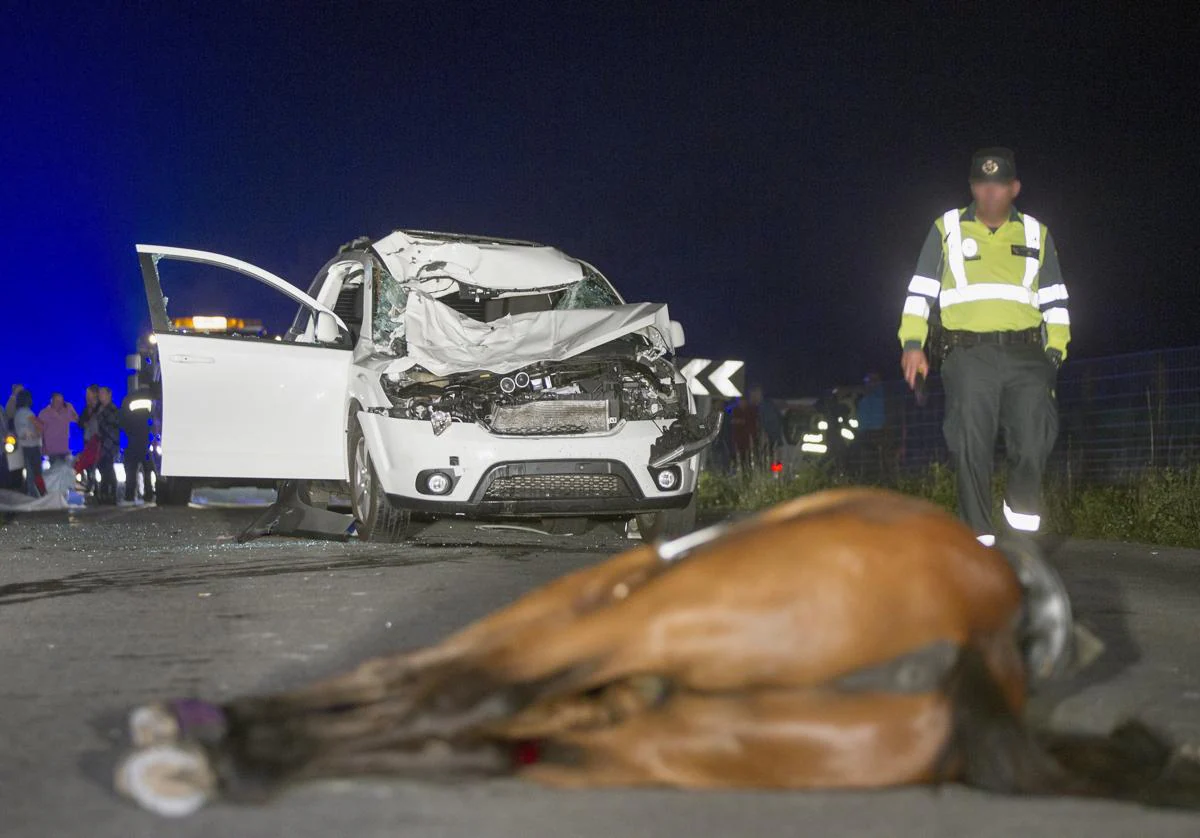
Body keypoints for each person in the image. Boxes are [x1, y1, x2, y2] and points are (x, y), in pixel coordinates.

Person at [897, 148, 1070, 546]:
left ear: (1014, 188)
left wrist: (1054, 352)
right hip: (968, 354)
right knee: (970, 443)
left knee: (1034, 439)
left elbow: (1056, 299)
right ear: (972, 186)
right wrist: (912, 343)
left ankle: (1021, 526)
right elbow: (920, 292)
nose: (990, 194)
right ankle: (981, 542)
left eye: (999, 186)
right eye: (982, 185)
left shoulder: (1036, 233)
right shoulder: (946, 229)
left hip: (1028, 356)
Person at [119, 386, 155, 504]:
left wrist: (129, 433)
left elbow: (123, 419)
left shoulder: (130, 398)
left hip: (133, 440)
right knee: (148, 469)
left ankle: (130, 496)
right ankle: (149, 494)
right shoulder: (153, 397)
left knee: (131, 470)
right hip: (148, 439)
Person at [12, 389, 44, 496]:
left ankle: (28, 493)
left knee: (27, 471)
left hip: (22, 446)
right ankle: (36, 494)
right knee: (35, 472)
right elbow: (39, 425)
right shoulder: (27, 412)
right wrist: (38, 434)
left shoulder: (17, 414)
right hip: (32, 446)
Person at [94, 386, 121, 505]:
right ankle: (105, 493)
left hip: (109, 444)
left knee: (108, 469)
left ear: (109, 394)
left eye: (102, 393)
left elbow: (112, 428)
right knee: (104, 469)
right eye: (99, 394)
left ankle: (111, 494)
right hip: (102, 443)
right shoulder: (100, 408)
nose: (100, 396)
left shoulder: (112, 409)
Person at [38, 392, 79, 466]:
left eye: (61, 401)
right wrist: (42, 448)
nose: (59, 403)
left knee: (65, 472)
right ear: (52, 401)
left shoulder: (67, 411)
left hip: (64, 450)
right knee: (54, 473)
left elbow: (77, 419)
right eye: (57, 401)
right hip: (50, 451)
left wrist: (70, 407)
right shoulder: (44, 413)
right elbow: (40, 432)